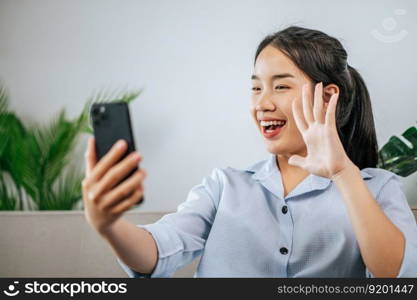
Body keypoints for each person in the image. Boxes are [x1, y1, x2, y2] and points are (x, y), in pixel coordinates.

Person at [82, 26, 417, 277]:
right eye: (256, 87)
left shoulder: (377, 188)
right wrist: (109, 225)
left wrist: (343, 173)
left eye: (281, 86)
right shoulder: (224, 186)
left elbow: (398, 277)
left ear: (328, 97)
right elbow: (157, 250)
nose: (262, 103)